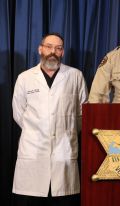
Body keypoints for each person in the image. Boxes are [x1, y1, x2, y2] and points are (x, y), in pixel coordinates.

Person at [12, 33, 88, 206]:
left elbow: (83, 113)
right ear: (40, 49)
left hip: (64, 152)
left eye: (58, 48)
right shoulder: (25, 78)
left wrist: (65, 129)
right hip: (33, 152)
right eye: (48, 46)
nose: (53, 51)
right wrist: (38, 129)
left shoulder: (75, 76)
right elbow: (18, 113)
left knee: (63, 199)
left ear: (62, 52)